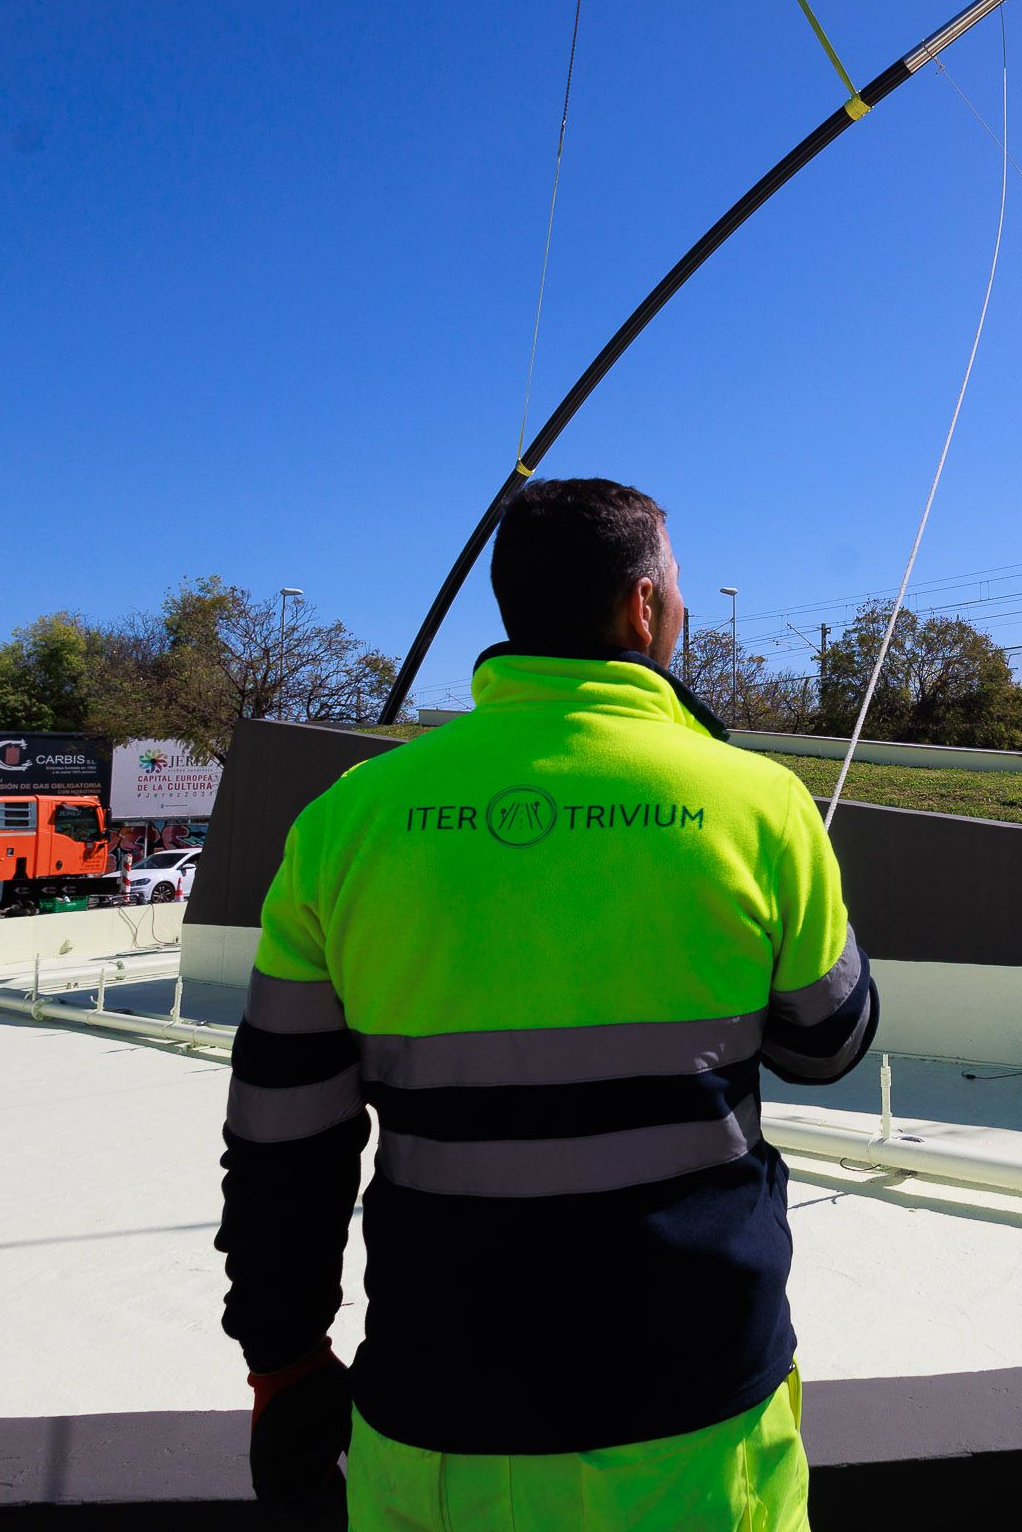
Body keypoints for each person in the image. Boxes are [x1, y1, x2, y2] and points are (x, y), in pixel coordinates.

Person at [217, 477, 879, 1530]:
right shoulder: (759, 801)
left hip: (434, 1419)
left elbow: (282, 1137)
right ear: (644, 609)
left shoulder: (344, 822)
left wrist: (282, 1361)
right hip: (698, 1421)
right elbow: (830, 1041)